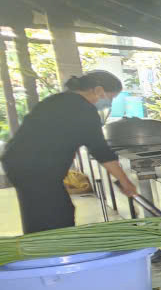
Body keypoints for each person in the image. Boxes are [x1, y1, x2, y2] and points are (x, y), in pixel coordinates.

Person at [1, 70, 138, 233]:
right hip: (35, 169)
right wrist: (125, 182)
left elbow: (56, 137)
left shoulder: (58, 100)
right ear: (99, 90)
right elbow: (101, 151)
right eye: (111, 97)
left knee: (42, 213)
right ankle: (50, 252)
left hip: (20, 164)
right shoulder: (83, 110)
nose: (109, 102)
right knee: (55, 217)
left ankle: (41, 248)